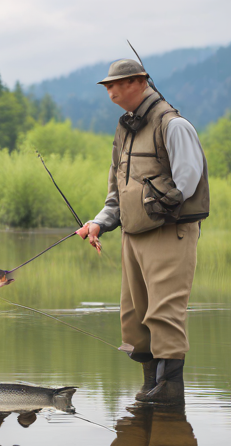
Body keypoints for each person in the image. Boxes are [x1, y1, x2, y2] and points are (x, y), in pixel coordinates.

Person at [77, 59, 209, 404]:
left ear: (139, 82)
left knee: (164, 311)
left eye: (115, 84)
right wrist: (99, 222)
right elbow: (118, 189)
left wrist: (148, 210)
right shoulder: (125, 129)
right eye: (106, 86)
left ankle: (169, 390)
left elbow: (187, 180)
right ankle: (151, 384)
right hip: (132, 236)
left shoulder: (173, 124)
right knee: (134, 315)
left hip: (169, 233)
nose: (110, 91)